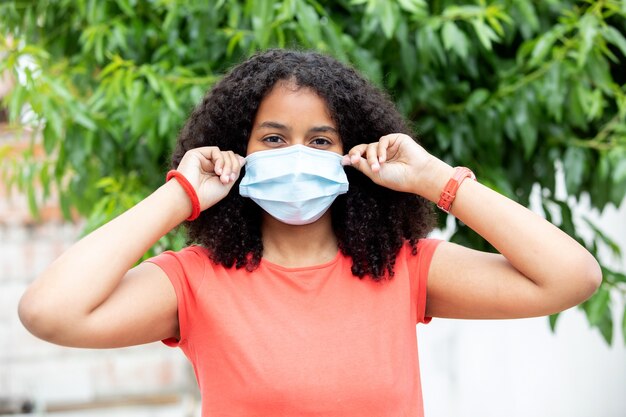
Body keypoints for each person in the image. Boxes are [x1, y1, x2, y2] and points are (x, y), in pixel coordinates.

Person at [18, 49, 601, 416]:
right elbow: (49, 311)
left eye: (321, 140)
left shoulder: (404, 268)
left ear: (351, 154)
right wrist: (181, 194)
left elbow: (572, 277)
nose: (297, 154)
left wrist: (435, 179)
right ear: (235, 152)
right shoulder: (193, 282)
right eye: (272, 138)